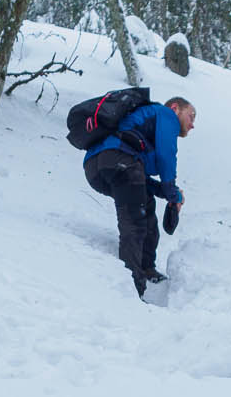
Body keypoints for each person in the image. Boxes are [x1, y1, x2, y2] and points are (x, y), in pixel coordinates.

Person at [82, 95, 196, 297]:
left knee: (143, 202)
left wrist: (170, 194)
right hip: (119, 161)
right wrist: (173, 194)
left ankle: (146, 267)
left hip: (95, 167)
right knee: (134, 222)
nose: (193, 125)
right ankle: (133, 291)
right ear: (176, 108)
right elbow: (166, 156)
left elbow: (141, 179)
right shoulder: (166, 114)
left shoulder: (138, 128)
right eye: (191, 116)